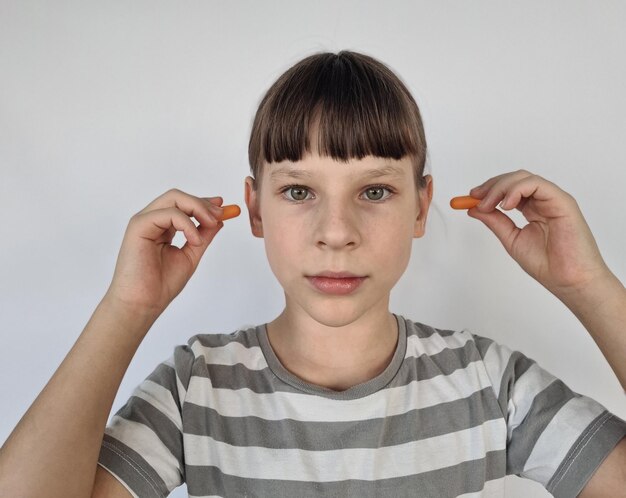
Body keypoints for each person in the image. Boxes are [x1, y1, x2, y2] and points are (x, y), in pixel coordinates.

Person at [0, 51, 624, 498]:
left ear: (421, 206)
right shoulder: (197, 392)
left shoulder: (490, 385)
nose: (336, 230)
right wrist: (126, 307)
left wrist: (587, 285)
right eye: (298, 190)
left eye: (375, 190)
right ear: (255, 209)